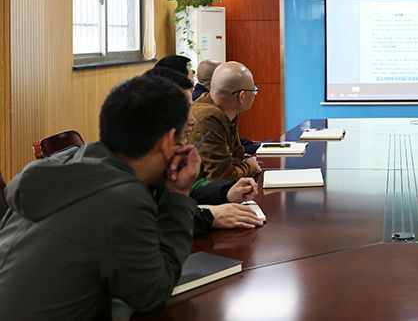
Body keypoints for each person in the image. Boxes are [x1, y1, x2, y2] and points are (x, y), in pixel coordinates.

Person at [0, 76, 199, 320]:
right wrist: (178, 195)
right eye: (183, 137)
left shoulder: (66, 161)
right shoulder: (124, 200)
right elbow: (152, 293)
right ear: (168, 141)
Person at [144, 67, 264, 232]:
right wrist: (209, 216)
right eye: (185, 109)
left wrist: (226, 192)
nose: (193, 120)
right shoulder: (124, 175)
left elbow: (193, 186)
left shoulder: (163, 154)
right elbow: (152, 222)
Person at [191, 61, 262, 180]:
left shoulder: (226, 110)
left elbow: (237, 156)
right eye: (254, 90)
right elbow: (221, 176)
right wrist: (250, 166)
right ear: (242, 96)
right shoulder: (210, 118)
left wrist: (242, 165)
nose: (255, 94)